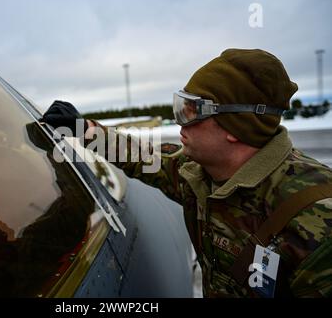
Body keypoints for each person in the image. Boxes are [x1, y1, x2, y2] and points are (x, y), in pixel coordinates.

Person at [41, 48, 332, 298]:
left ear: (235, 126)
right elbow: (144, 158)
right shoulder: (197, 174)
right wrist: (85, 129)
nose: (180, 123)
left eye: (191, 111)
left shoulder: (316, 218)